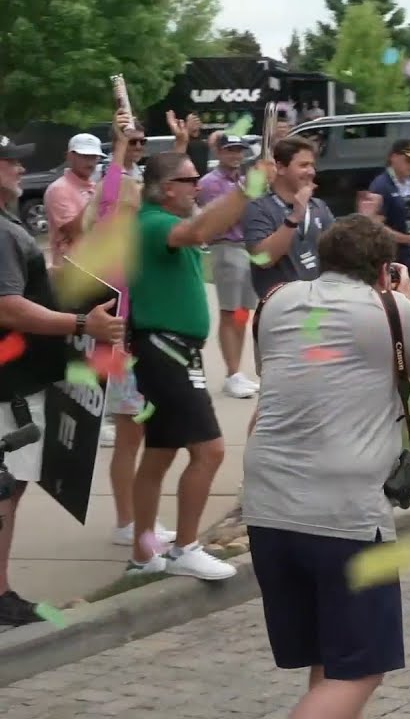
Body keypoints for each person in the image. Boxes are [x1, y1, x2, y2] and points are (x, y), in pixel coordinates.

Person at [245, 213, 410, 718]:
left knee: (329, 658)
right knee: (361, 667)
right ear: (385, 268)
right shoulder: (389, 308)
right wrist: (402, 299)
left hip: (269, 506)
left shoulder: (275, 302)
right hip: (345, 515)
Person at [0, 134, 125, 624]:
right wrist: (80, 324)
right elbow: (7, 306)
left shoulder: (9, 225)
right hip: (10, 386)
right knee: (5, 490)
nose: (17, 168)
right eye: (9, 162)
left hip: (14, 380)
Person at [124, 149, 258, 580]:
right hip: (167, 352)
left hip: (166, 350)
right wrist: (247, 187)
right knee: (210, 450)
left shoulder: (160, 221)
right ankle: (185, 548)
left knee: (159, 454)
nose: (197, 184)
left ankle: (143, 556)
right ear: (166, 189)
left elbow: (208, 225)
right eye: (189, 179)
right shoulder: (155, 223)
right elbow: (202, 226)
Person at [88, 110, 182, 547]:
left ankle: (138, 517)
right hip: (124, 339)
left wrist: (179, 148)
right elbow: (112, 188)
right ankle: (127, 522)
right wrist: (121, 143)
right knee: (130, 435)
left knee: (146, 433)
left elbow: (170, 191)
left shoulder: (145, 225)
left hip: (148, 337)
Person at [198, 133, 259, 400]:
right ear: (219, 152)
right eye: (230, 150)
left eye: (239, 150)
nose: (236, 155)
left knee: (243, 313)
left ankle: (237, 372)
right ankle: (232, 372)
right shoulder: (210, 183)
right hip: (227, 248)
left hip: (247, 248)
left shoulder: (242, 180)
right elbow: (224, 217)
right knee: (228, 311)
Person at [242, 136, 335, 297]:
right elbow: (263, 259)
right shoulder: (259, 207)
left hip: (319, 302)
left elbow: (341, 250)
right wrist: (294, 218)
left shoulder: (318, 206)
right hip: (281, 306)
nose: (311, 172)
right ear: (281, 167)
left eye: (313, 165)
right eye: (303, 165)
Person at [368, 139, 410, 317]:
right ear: (394, 158)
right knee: (397, 301)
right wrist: (405, 239)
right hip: (391, 254)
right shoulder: (381, 186)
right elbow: (376, 225)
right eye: (408, 160)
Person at [44, 134, 107, 266]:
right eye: (84, 156)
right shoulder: (59, 189)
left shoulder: (94, 187)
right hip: (72, 271)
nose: (90, 162)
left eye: (94, 157)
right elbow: (73, 231)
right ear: (69, 157)